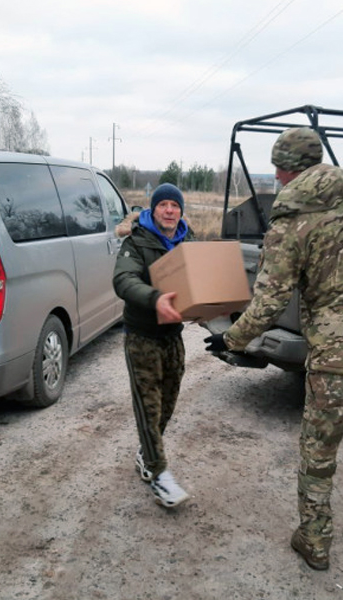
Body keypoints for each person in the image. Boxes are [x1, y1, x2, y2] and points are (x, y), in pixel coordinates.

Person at [204, 127, 343, 572]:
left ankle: (315, 542)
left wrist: (232, 340)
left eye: (277, 170)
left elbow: (268, 302)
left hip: (339, 353)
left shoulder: (290, 220)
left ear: (284, 169)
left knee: (319, 452)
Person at [113, 182, 193, 508]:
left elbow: (197, 282)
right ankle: (160, 475)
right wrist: (154, 298)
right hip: (142, 336)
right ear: (154, 209)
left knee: (168, 404)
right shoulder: (137, 241)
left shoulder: (188, 242)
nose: (170, 210)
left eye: (175, 205)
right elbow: (123, 280)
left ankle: (147, 452)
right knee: (149, 408)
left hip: (173, 337)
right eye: (164, 205)